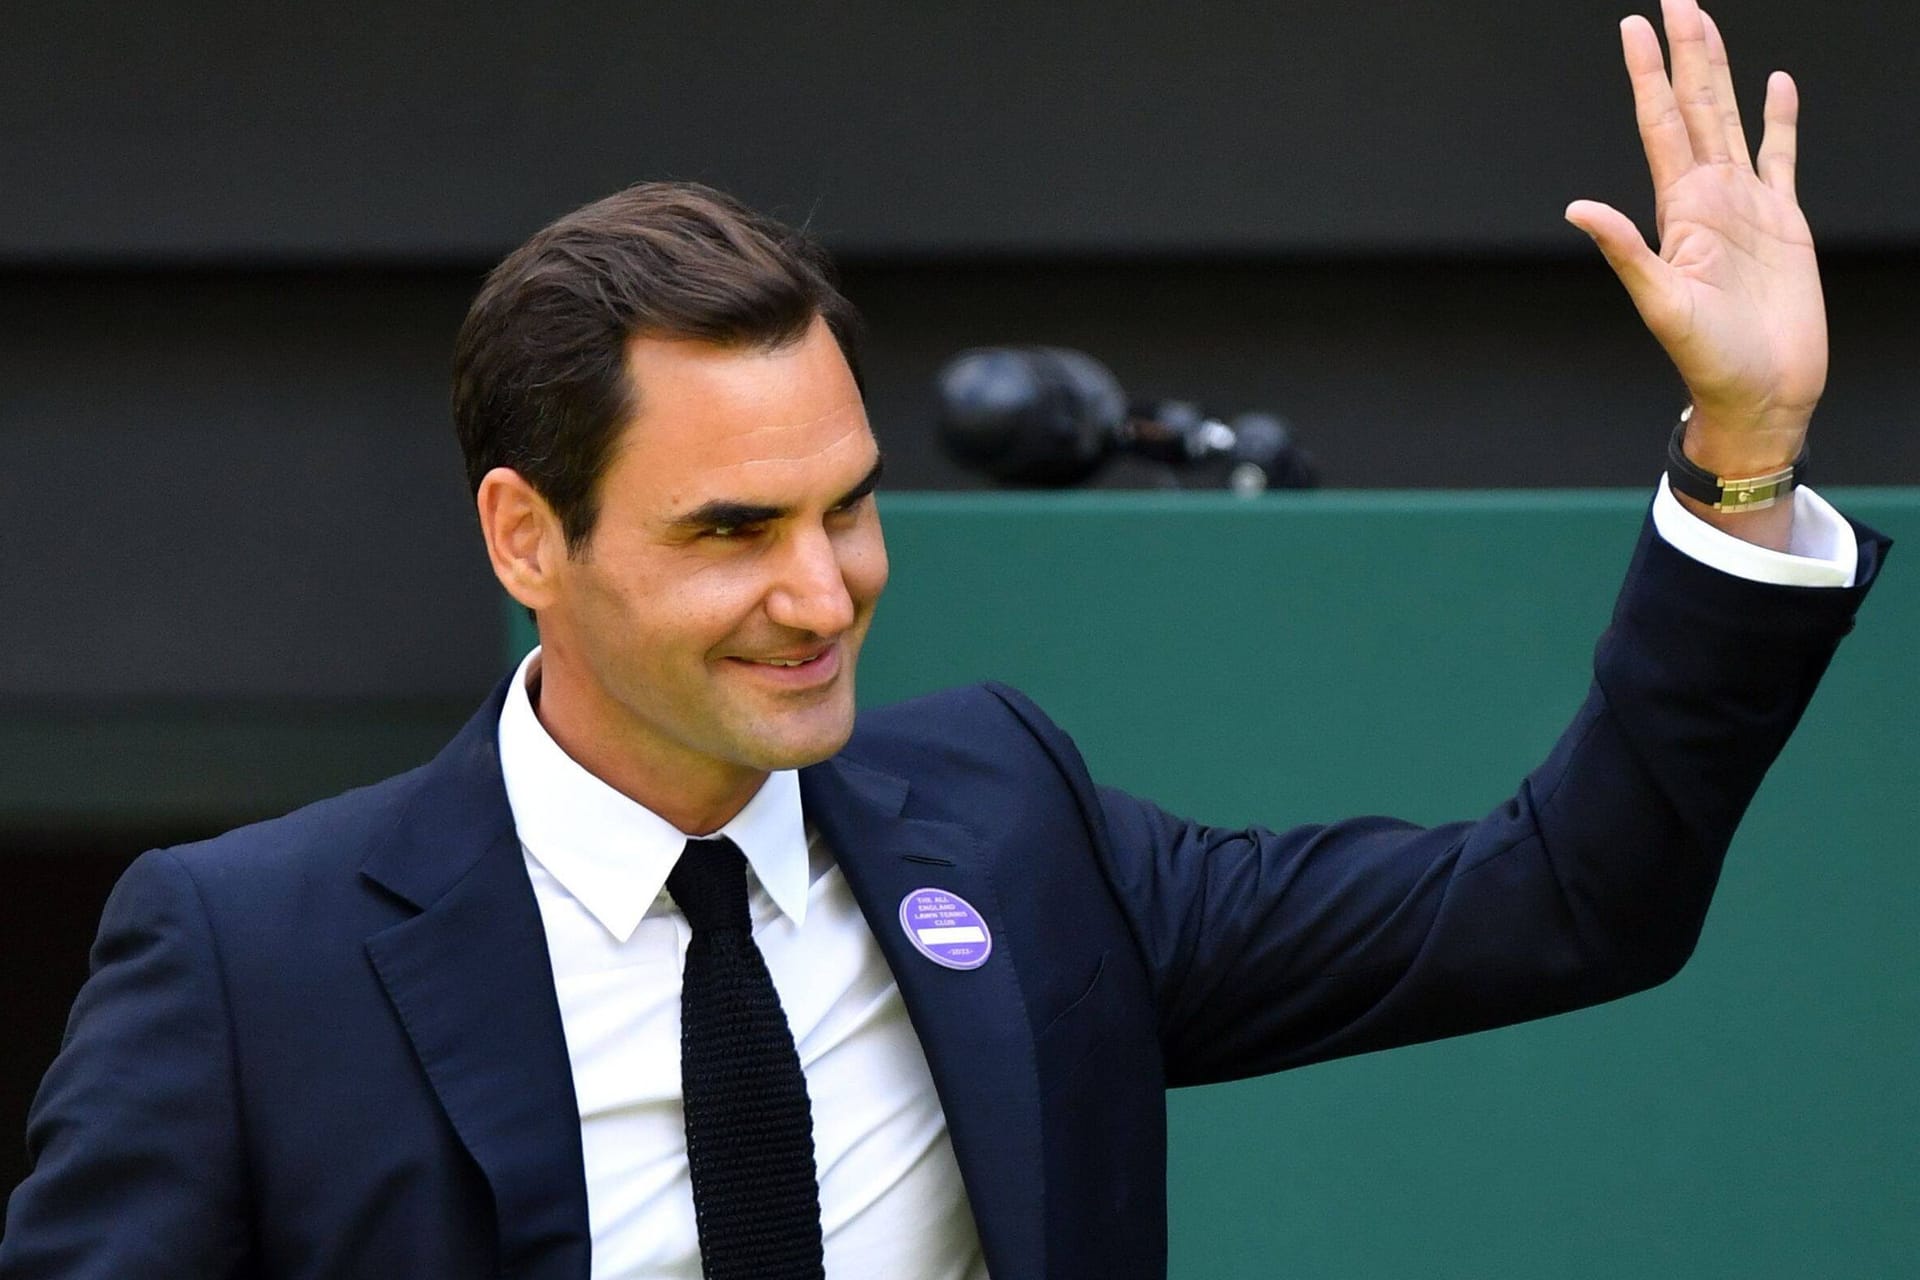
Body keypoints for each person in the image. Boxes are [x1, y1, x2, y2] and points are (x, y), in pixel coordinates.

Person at [0, 2, 1889, 1277]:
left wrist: (1745, 454)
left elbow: (1565, 898)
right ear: (527, 538)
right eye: (733, 531)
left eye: (848, 504)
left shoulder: (1009, 823)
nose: (824, 595)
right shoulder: (248, 956)